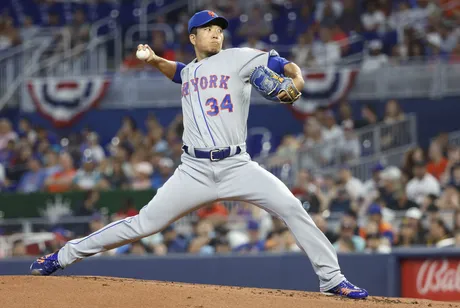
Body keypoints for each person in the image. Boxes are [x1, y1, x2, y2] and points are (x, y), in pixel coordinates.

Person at [30, 10, 367, 299]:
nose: (216, 35)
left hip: (237, 165)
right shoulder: (190, 70)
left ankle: (332, 279)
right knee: (143, 224)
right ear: (193, 36)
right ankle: (62, 256)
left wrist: (298, 78)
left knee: (292, 208)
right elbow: (178, 72)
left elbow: (283, 64)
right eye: (208, 30)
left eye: (219, 30)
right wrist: (154, 60)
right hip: (193, 170)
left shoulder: (239, 56)